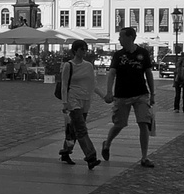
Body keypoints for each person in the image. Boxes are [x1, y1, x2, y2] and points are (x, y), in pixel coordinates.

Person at [102, 27, 156, 167]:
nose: (119, 39)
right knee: (120, 124)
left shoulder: (143, 53)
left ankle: (144, 157)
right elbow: (112, 74)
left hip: (141, 94)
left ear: (130, 37)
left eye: (121, 36)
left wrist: (152, 93)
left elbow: (148, 74)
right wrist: (109, 91)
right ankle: (107, 144)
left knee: (143, 123)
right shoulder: (118, 55)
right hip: (122, 95)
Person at [58, 40, 102, 169]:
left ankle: (65, 152)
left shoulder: (88, 65)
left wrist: (104, 96)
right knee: (82, 129)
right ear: (75, 50)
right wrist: (65, 103)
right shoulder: (69, 65)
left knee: (74, 128)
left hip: (85, 100)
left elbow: (93, 84)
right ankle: (91, 156)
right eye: (82, 49)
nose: (84, 51)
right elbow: (64, 85)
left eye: (85, 49)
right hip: (73, 99)